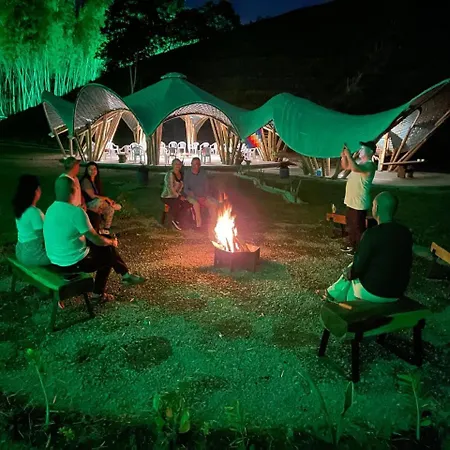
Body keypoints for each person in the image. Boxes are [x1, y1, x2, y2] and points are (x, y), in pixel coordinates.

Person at [44, 176, 144, 301]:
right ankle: (99, 293)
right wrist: (112, 242)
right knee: (108, 253)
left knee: (104, 242)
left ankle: (125, 275)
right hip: (71, 264)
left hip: (55, 260)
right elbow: (96, 239)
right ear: (73, 191)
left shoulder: (50, 209)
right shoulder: (75, 212)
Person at [326, 192, 413, 303]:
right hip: (398, 291)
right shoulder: (405, 232)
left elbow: (358, 265)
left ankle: (333, 295)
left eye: (373, 205)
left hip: (374, 291)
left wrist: (349, 274)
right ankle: (332, 294)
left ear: (376, 208)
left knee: (350, 281)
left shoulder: (372, 234)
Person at [340, 141, 377, 254]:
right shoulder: (360, 163)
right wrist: (344, 156)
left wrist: (349, 155)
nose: (360, 150)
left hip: (359, 203)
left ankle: (360, 250)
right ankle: (352, 245)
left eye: (362, 149)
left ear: (370, 152)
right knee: (351, 225)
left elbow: (355, 168)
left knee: (358, 228)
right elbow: (346, 166)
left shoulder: (370, 165)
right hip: (351, 201)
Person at [12, 175, 50, 266]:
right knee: (63, 255)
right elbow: (42, 236)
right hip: (33, 256)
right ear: (36, 191)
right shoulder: (33, 212)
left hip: (20, 252)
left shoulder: (20, 209)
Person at [80, 162, 121, 235]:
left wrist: (107, 200)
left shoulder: (96, 181)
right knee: (100, 201)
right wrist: (107, 199)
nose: (93, 171)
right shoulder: (85, 181)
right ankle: (112, 205)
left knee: (110, 209)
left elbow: (99, 195)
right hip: (87, 204)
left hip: (96, 203)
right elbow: (92, 196)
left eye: (94, 169)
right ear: (87, 171)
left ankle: (106, 229)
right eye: (90, 169)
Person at [183, 157, 218, 229]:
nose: (196, 166)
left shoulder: (203, 173)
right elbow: (186, 189)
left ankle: (213, 225)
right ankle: (198, 225)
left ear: (200, 165)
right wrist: (196, 197)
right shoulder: (187, 174)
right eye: (194, 164)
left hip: (203, 196)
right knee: (196, 205)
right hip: (192, 196)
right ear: (191, 164)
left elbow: (206, 186)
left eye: (198, 164)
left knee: (214, 204)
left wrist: (205, 196)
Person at [161, 158, 190, 231]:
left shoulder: (181, 174)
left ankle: (178, 219)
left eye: (179, 164)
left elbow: (181, 188)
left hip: (176, 196)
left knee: (187, 204)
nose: (178, 166)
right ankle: (173, 221)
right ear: (172, 165)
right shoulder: (169, 174)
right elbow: (170, 189)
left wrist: (181, 196)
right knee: (176, 203)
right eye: (176, 164)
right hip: (167, 196)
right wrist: (179, 197)